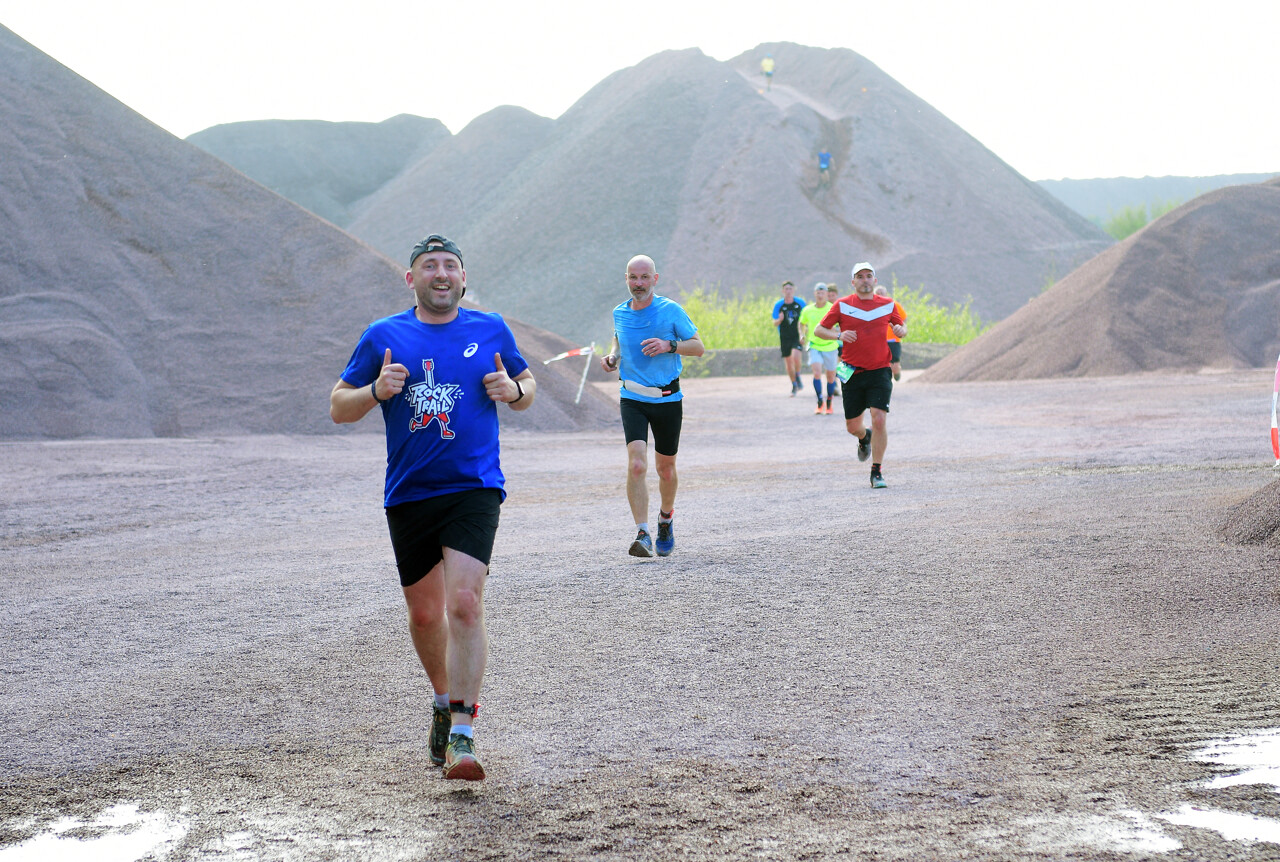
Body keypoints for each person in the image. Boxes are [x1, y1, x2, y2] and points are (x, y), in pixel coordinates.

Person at [329, 234, 536, 782]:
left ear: (463, 278)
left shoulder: (490, 328)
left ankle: (464, 732)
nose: (441, 274)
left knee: (464, 603)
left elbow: (528, 384)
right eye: (429, 266)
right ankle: (443, 701)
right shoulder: (383, 335)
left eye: (450, 266)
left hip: (474, 487)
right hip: (410, 492)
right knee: (425, 615)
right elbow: (338, 407)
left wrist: (514, 391)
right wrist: (376, 390)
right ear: (411, 278)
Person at [600, 255, 704, 558]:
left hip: (667, 398)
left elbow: (698, 347)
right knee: (636, 464)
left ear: (655, 279)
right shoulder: (620, 312)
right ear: (626, 279)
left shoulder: (670, 310)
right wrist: (613, 357)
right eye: (633, 277)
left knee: (665, 469)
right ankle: (643, 533)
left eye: (644, 277)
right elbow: (618, 339)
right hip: (632, 397)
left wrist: (669, 345)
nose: (639, 283)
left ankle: (665, 519)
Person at [815, 262, 906, 489]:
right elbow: (819, 330)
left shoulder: (888, 304)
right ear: (853, 282)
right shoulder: (842, 305)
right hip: (851, 371)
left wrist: (901, 330)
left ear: (875, 280)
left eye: (868, 276)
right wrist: (839, 335)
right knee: (852, 426)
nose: (865, 280)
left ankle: (877, 471)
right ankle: (864, 437)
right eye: (860, 276)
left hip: (879, 370)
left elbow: (901, 327)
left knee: (879, 418)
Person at [798, 282, 839, 414]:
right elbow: (801, 323)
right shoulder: (808, 309)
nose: (820, 295)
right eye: (818, 293)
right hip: (814, 345)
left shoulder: (832, 308)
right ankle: (820, 401)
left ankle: (829, 402)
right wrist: (802, 335)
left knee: (830, 377)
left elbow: (841, 324)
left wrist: (836, 331)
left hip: (830, 346)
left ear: (827, 294)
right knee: (816, 372)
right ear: (814, 294)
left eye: (823, 293)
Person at [772, 281, 806, 396]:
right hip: (785, 337)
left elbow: (806, 319)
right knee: (788, 361)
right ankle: (794, 385)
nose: (788, 291)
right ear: (783, 291)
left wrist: (804, 333)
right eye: (786, 289)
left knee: (796, 356)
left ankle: (798, 375)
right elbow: (774, 323)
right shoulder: (779, 305)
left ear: (793, 290)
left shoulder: (800, 303)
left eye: (790, 289)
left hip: (797, 335)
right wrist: (780, 319)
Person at [873, 285, 908, 381]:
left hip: (893, 339)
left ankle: (897, 372)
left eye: (882, 293)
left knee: (894, 364)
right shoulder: (872, 307)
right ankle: (885, 380)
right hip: (878, 340)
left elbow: (904, 319)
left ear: (886, 294)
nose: (880, 295)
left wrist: (901, 328)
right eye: (878, 294)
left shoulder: (894, 305)